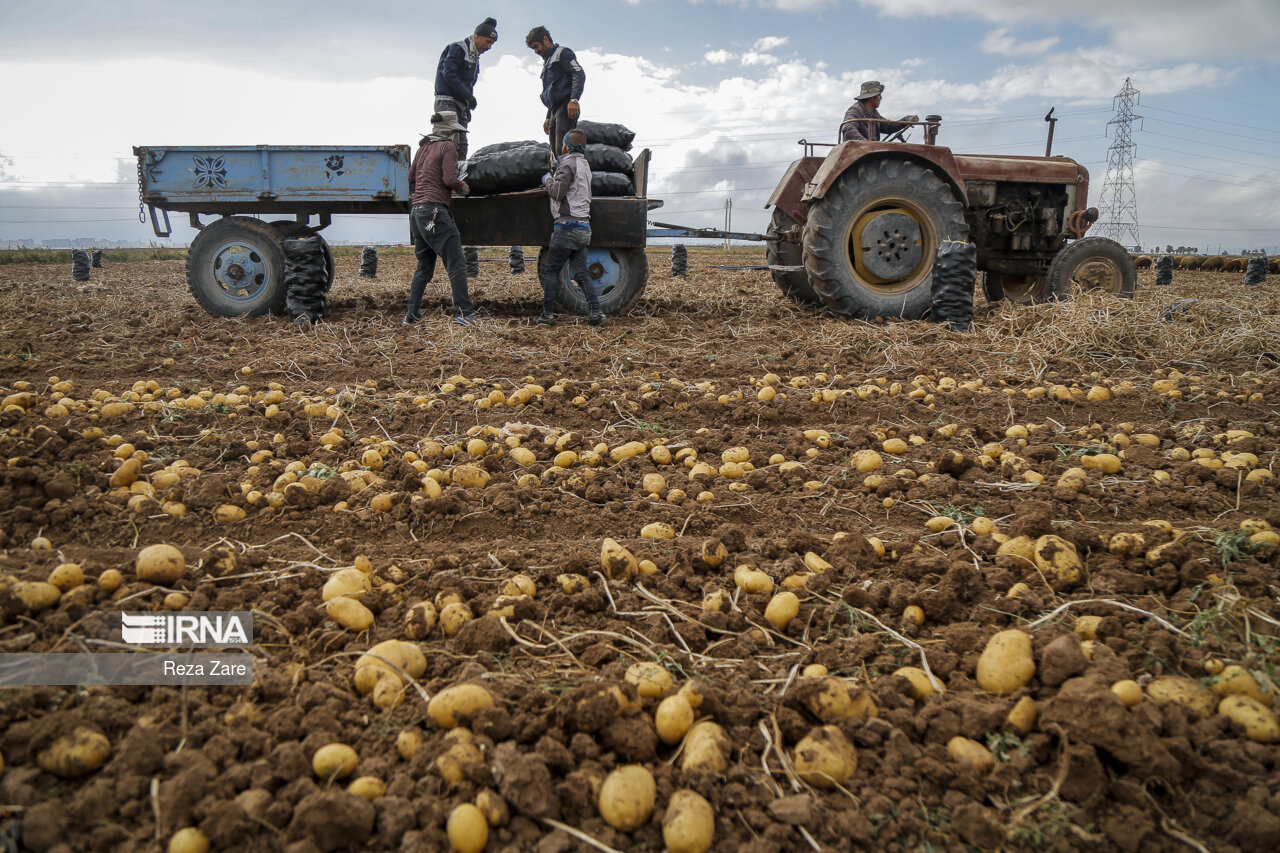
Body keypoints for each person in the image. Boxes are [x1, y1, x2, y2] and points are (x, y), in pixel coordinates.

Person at [404, 113, 477, 327]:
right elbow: (449, 178)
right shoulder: (447, 147)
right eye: (455, 132)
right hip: (435, 211)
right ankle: (466, 313)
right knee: (456, 263)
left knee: (424, 268)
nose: (456, 136)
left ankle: (411, 314)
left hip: (416, 212)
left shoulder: (422, 148)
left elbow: (410, 177)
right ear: (449, 131)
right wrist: (464, 188)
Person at [538, 128, 603, 327]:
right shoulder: (584, 164)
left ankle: (547, 315)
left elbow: (557, 193)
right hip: (584, 227)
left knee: (551, 271)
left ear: (566, 145)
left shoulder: (567, 164)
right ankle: (596, 313)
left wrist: (547, 179)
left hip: (566, 226)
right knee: (581, 273)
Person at [434, 18, 498, 161]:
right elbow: (448, 74)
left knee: (462, 145)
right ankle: (441, 179)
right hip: (447, 102)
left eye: (492, 43)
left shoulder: (475, 57)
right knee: (447, 143)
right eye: (488, 41)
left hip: (461, 105)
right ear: (477, 36)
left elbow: (468, 84)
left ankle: (457, 178)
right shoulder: (458, 48)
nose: (489, 47)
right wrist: (467, 96)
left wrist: (467, 105)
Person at [526, 26, 586, 151]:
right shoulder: (547, 63)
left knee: (563, 150)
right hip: (554, 110)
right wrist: (548, 116)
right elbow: (551, 91)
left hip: (565, 108)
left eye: (536, 46)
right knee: (555, 154)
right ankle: (559, 170)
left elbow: (578, 73)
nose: (536, 51)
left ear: (546, 40)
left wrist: (574, 99)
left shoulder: (562, 53)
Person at [839, 80, 918, 143]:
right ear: (872, 98)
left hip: (869, 150)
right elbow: (848, 129)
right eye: (879, 95)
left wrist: (905, 120)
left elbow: (888, 127)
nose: (881, 98)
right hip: (858, 152)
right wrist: (867, 144)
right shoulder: (855, 111)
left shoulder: (874, 114)